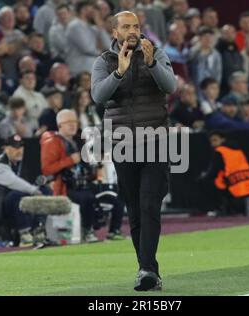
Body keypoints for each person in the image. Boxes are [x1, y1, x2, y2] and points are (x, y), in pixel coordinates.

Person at [91, 11, 176, 291]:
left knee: (150, 204)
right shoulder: (104, 62)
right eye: (126, 26)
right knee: (136, 210)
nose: (132, 30)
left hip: (156, 140)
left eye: (136, 26)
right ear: (114, 32)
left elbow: (170, 85)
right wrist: (120, 71)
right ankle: (148, 270)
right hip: (123, 144)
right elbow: (99, 96)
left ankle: (146, 270)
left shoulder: (156, 53)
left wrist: (151, 63)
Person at [0, 134, 45, 247]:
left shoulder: (18, 163)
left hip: (1, 205)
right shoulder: (0, 165)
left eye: (21, 147)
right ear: (5, 149)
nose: (19, 151)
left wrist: (40, 190)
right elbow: (13, 182)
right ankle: (25, 233)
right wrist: (35, 191)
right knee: (17, 195)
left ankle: (39, 229)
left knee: (44, 190)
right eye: (15, 148)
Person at [40, 109, 99, 243]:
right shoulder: (51, 142)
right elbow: (47, 169)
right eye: (68, 122)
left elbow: (86, 165)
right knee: (87, 198)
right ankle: (87, 231)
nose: (73, 125)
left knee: (111, 193)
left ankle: (113, 230)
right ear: (60, 125)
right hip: (63, 186)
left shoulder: (78, 140)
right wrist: (70, 160)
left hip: (81, 182)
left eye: (74, 122)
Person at [198, 130, 249, 216]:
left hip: (233, 183)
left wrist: (204, 177)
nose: (213, 144)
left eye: (215, 140)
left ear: (223, 139)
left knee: (205, 182)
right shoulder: (237, 149)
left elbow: (214, 171)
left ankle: (219, 208)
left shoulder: (220, 151)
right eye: (211, 141)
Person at [65, 0, 112, 76]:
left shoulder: (92, 28)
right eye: (92, 9)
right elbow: (88, 49)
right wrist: (102, 52)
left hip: (92, 69)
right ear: (84, 10)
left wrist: (99, 26)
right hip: (79, 71)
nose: (95, 13)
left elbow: (108, 45)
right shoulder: (75, 26)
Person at [215, 24, 244, 95]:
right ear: (221, 34)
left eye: (232, 32)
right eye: (226, 33)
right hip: (223, 87)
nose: (230, 35)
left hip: (237, 86)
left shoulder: (236, 48)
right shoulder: (217, 50)